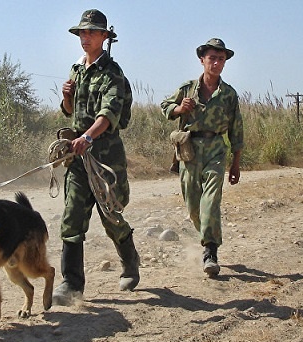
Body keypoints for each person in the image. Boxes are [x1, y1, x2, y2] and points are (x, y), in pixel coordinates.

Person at [53, 9, 140, 304]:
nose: (85, 37)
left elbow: (109, 114)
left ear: (105, 36)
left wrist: (88, 137)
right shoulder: (76, 71)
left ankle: (130, 261)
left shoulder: (113, 75)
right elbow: (70, 111)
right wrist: (66, 96)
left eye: (91, 32)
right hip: (78, 159)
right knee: (72, 218)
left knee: (111, 216)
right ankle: (71, 284)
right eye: (82, 32)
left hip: (105, 158)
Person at [160, 38, 243, 277]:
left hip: (216, 148)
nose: (216, 63)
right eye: (212, 58)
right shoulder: (187, 88)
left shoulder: (228, 94)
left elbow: (236, 131)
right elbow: (165, 106)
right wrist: (179, 109)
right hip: (189, 150)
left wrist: (235, 164)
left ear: (225, 62)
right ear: (202, 60)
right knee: (194, 206)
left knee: (211, 201)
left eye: (221, 59)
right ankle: (206, 236)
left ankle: (210, 251)